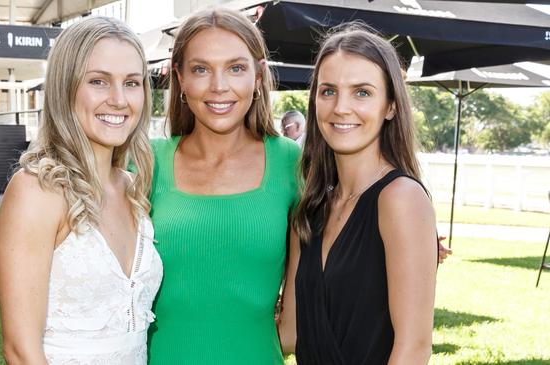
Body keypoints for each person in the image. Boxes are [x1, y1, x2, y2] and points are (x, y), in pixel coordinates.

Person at [0, 17, 162, 364]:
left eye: (131, 83)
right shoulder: (37, 191)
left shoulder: (132, 188)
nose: (118, 100)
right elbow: (21, 351)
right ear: (65, 87)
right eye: (98, 81)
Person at [146, 7, 300, 365]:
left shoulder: (292, 163)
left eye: (236, 67)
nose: (219, 86)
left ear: (258, 76)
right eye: (201, 69)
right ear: (180, 78)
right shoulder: (146, 162)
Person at [283, 23, 438, 364]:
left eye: (362, 92)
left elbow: (413, 348)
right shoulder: (310, 209)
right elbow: (289, 335)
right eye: (328, 91)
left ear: (391, 107)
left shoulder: (401, 198)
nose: (341, 107)